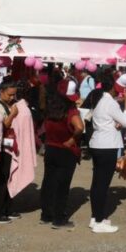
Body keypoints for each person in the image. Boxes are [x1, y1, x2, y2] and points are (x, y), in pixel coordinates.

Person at [87, 73, 126, 233]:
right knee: (102, 185)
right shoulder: (109, 102)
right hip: (107, 146)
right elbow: (125, 121)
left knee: (97, 182)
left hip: (98, 143)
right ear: (113, 87)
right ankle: (98, 220)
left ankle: (96, 217)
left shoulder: (99, 99)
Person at [40, 89, 84, 229]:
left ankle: (46, 215)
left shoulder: (50, 111)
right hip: (66, 150)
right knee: (62, 185)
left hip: (51, 148)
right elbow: (79, 127)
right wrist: (72, 140)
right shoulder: (71, 112)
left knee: (48, 182)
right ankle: (59, 218)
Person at [0, 79, 18, 224]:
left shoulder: (9, 105)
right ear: (2, 92)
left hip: (9, 147)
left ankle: (6, 208)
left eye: (14, 95)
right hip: (0, 148)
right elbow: (4, 125)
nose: (12, 97)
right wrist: (12, 115)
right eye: (10, 95)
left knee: (8, 178)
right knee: (0, 180)